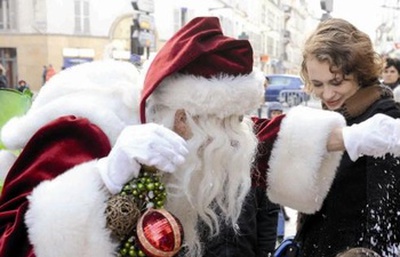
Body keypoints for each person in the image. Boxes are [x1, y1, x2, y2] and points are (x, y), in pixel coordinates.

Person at [0, 16, 399, 257]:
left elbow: (251, 147)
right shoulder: (85, 129)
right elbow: (11, 239)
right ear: (182, 113)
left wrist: (346, 139)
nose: (234, 136)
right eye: (224, 122)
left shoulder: (203, 139)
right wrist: (106, 177)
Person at [274, 18, 400, 257]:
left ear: (360, 73)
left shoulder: (383, 121)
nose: (328, 94)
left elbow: (385, 220)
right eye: (318, 84)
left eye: (337, 82)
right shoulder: (333, 117)